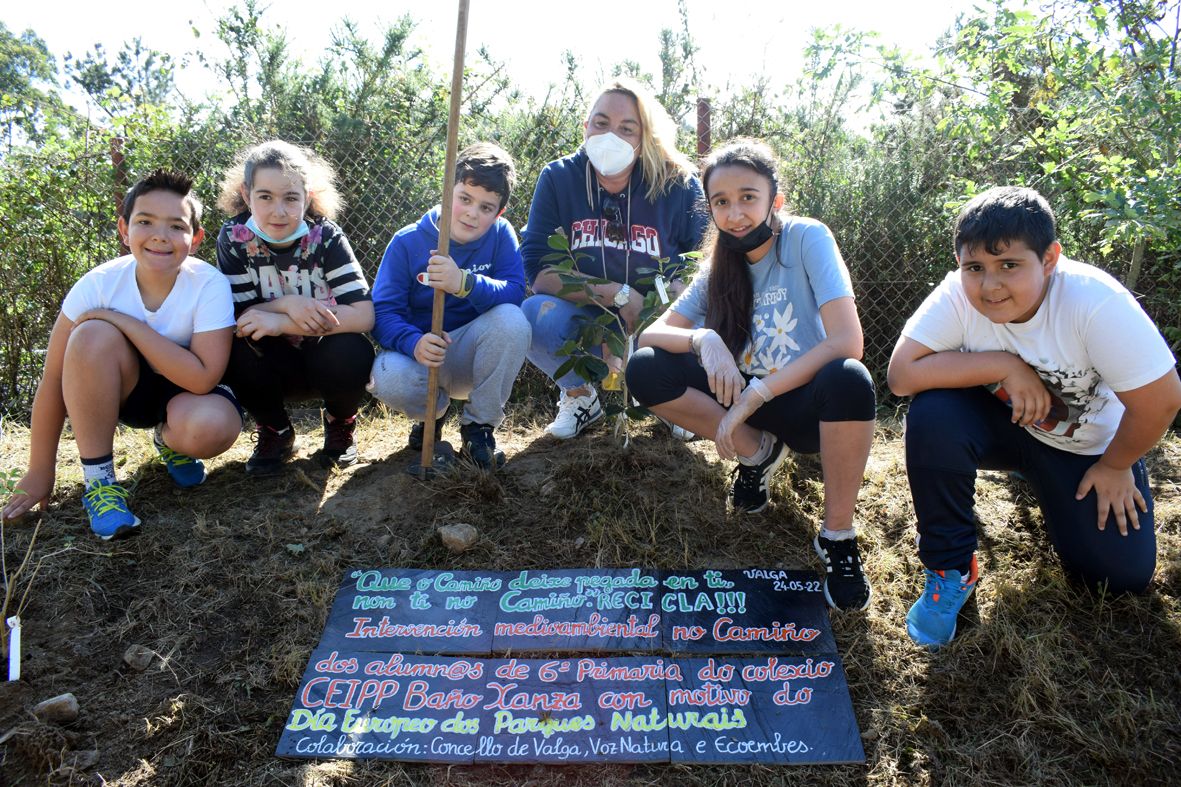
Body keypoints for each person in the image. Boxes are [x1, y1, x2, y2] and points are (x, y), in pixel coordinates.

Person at [888, 186, 1181, 648]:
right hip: (1006, 427)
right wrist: (1005, 365)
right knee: (932, 414)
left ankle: (1063, 489)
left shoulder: (1093, 301)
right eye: (975, 268)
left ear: (1049, 259)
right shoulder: (957, 295)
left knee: (1119, 579)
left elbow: (1161, 400)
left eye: (1009, 265)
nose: (990, 286)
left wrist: (1117, 464)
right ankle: (951, 569)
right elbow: (902, 376)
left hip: (1087, 450)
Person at [626, 138, 876, 611]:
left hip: (803, 403)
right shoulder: (718, 267)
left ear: (774, 200)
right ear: (711, 210)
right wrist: (704, 339)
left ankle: (838, 536)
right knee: (646, 370)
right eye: (722, 202)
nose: (736, 213)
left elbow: (847, 341)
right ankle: (758, 454)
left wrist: (757, 393)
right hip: (745, 403)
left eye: (747, 197)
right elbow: (649, 337)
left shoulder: (807, 238)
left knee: (850, 377)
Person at [2, 170, 242, 539]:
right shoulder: (97, 284)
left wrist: (126, 323)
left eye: (176, 226)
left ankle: (169, 440)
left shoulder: (209, 284)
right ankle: (99, 483)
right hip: (122, 393)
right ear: (124, 229)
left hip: (187, 395)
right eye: (145, 221)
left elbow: (203, 377)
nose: (160, 235)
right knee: (90, 334)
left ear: (195, 240)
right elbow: (52, 380)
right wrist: (40, 471)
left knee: (214, 427)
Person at [520, 77, 707, 439]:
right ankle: (582, 396)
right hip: (587, 317)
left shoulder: (678, 183)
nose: (611, 137)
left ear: (644, 138)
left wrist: (659, 304)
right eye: (601, 123)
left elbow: (703, 261)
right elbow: (538, 270)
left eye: (627, 128)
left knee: (710, 314)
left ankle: (666, 398)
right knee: (532, 316)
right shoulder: (559, 178)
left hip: (661, 318)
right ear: (585, 127)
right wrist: (617, 295)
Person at [216, 140, 375, 474]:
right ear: (246, 195)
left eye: (291, 198)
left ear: (308, 196)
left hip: (324, 358)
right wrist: (291, 302)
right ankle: (275, 430)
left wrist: (282, 322)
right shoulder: (234, 237)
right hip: (272, 364)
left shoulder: (325, 236)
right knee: (231, 344)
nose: (279, 211)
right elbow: (242, 318)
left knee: (351, 348)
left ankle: (340, 426)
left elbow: (363, 314)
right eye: (265, 197)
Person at [368, 142, 530, 469]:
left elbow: (514, 293)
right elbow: (383, 312)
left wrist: (464, 283)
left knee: (513, 321)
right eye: (465, 199)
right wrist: (413, 342)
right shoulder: (407, 241)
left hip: (474, 355)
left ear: (499, 213)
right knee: (387, 376)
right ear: (447, 191)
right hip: (423, 359)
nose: (472, 213)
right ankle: (433, 415)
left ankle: (478, 428)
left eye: (486, 208)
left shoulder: (501, 235)